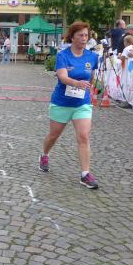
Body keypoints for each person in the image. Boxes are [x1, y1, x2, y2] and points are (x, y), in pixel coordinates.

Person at [38, 21, 100, 189]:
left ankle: (85, 174)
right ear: (72, 37)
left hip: (82, 104)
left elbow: (91, 77)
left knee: (83, 136)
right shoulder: (63, 56)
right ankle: (44, 154)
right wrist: (76, 83)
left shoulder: (92, 57)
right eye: (80, 35)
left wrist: (90, 90)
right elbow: (62, 77)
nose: (84, 38)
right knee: (54, 135)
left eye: (86, 35)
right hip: (62, 103)